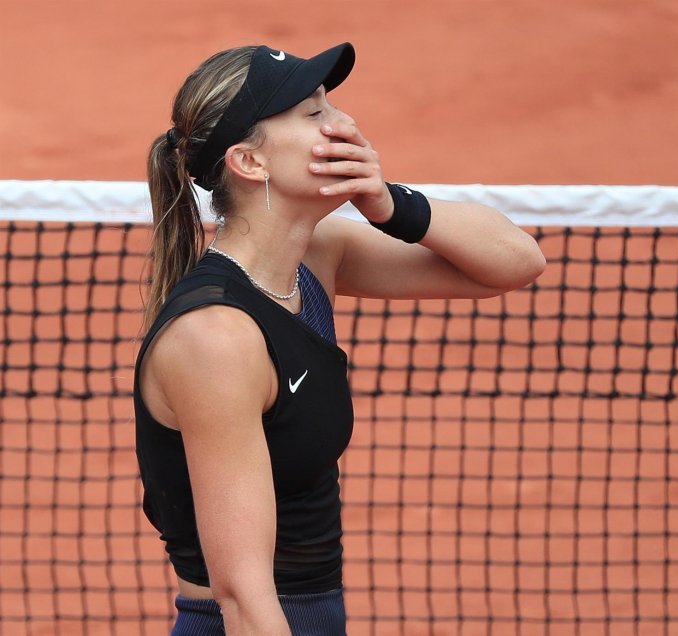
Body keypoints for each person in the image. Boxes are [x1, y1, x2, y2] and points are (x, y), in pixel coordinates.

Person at [135, 41, 546, 635]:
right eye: (313, 113)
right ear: (250, 163)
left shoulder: (314, 261)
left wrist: (387, 203)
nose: (345, 124)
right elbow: (243, 598)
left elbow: (516, 261)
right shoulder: (215, 339)